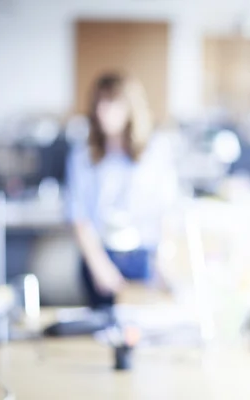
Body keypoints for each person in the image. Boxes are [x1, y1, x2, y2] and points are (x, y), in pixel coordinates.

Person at [66, 72, 178, 310]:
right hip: (101, 256)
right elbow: (78, 215)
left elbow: (167, 209)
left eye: (112, 103)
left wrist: (163, 260)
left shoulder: (155, 150)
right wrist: (99, 267)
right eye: (99, 104)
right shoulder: (83, 155)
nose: (103, 111)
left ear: (130, 107)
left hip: (144, 256)